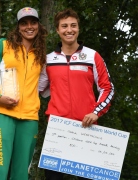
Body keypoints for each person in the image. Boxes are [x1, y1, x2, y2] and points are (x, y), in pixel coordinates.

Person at [38, 8, 114, 180]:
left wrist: (96, 112)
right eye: (64, 26)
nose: (69, 30)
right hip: (57, 129)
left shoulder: (92, 56)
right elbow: (37, 89)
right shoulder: (48, 60)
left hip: (86, 128)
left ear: (78, 28)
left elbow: (107, 88)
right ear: (57, 30)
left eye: (73, 25)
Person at [0, 7, 47, 180]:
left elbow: (46, 86)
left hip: (30, 118)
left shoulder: (41, 55)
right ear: (18, 27)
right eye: (24, 23)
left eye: (33, 22)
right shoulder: (2, 45)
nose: (29, 26)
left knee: (21, 174)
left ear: (38, 25)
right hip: (3, 114)